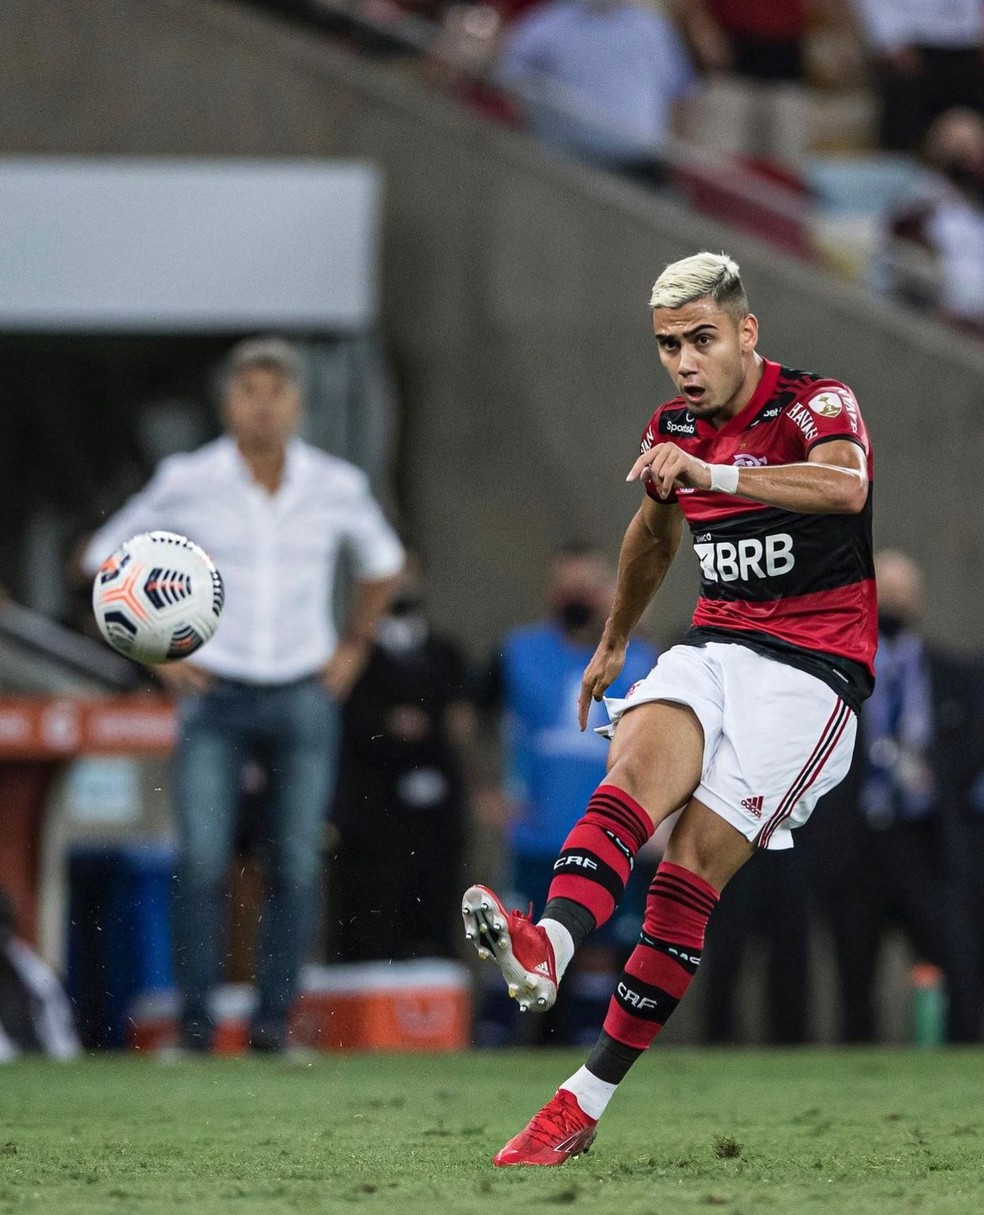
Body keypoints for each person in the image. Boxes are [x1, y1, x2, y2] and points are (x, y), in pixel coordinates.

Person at [461, 250, 873, 1165]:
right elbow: (655, 528)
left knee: (686, 879)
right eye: (667, 345)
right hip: (716, 646)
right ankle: (549, 947)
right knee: (633, 769)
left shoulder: (816, 405)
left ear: (745, 331)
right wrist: (615, 636)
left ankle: (580, 1100)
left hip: (813, 679)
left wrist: (715, 475)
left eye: (701, 339)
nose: (686, 361)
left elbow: (844, 487)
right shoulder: (674, 426)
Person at [83, 337, 404, 1053]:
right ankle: (194, 1031)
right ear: (227, 403)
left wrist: (354, 643)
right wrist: (153, 654)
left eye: (275, 392)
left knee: (293, 861)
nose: (262, 406)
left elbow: (383, 563)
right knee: (199, 861)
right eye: (247, 392)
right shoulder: (188, 478)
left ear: (298, 404)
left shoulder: (336, 484)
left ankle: (272, 1029)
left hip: (303, 690)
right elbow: (100, 555)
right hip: (214, 693)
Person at [470, 542, 659, 1046]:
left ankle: (581, 1048)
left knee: (598, 948)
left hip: (610, 829)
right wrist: (482, 786)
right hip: (534, 828)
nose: (576, 597)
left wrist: (665, 814)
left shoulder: (643, 658)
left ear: (611, 594)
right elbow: (467, 718)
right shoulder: (518, 650)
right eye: (566, 587)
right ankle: (494, 1043)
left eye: (587, 587)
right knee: (509, 941)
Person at [809, 549, 984, 1043]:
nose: (896, 603)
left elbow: (970, 747)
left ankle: (961, 1068)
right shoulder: (834, 672)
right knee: (852, 973)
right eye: (887, 593)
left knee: (956, 963)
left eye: (906, 593)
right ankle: (855, 1075)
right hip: (855, 841)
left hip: (925, 841)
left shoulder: (952, 673)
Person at [327, 559, 473, 962]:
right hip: (372, 815)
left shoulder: (445, 653)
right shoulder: (353, 656)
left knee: (434, 917)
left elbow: (461, 720)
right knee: (370, 921)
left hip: (436, 818)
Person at [498, 0, 697, 185]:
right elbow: (507, 75)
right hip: (571, 163)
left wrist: (675, 160)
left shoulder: (653, 29)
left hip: (642, 167)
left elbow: (682, 93)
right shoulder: (551, 22)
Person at [848, 0, 984, 153]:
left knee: (969, 129)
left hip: (966, 43)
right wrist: (890, 39)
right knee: (905, 130)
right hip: (911, 44)